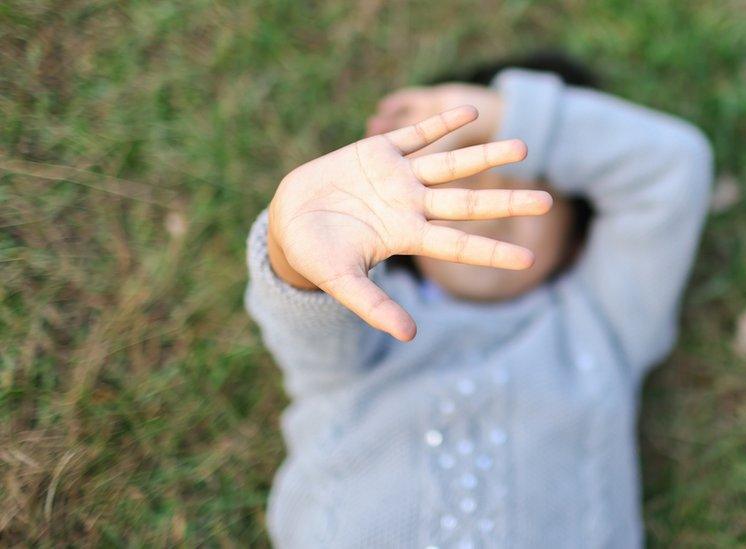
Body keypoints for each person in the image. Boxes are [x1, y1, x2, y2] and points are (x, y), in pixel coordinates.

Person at [245, 55, 713, 547]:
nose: (488, 194)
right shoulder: (364, 315)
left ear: (579, 231)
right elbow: (303, 312)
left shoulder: (603, 321)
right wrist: (299, 245)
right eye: (464, 168)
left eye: (522, 175)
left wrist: (496, 114)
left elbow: (673, 168)